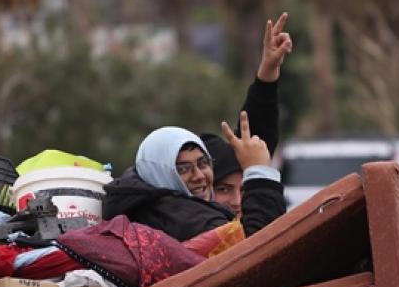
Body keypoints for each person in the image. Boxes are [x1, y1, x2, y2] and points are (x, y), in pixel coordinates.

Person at [102, 15, 292, 241]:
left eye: (203, 164)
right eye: (183, 168)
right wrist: (259, 174)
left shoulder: (159, 198)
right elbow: (259, 250)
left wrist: (267, 75)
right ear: (162, 173)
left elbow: (252, 144)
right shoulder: (189, 219)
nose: (199, 176)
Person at [201, 13, 292, 216]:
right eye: (223, 189)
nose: (237, 202)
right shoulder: (198, 230)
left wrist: (268, 72)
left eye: (245, 189)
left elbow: (256, 141)